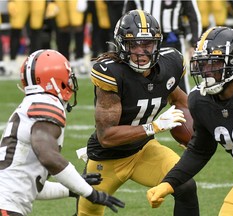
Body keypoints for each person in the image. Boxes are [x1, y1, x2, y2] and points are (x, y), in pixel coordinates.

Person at [147, 26, 233, 215]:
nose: (206, 71)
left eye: (214, 63)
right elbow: (199, 150)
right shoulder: (200, 100)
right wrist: (169, 183)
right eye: (202, 64)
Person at [77, 10, 199, 216]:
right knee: (88, 213)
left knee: (185, 184)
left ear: (157, 44)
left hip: (144, 150)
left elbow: (179, 99)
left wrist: (195, 129)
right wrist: (154, 126)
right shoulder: (112, 73)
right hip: (107, 159)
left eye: (147, 44)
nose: (141, 52)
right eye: (134, 45)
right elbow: (106, 136)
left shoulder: (169, 64)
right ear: (121, 45)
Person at [0, 49, 124, 216]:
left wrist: (73, 188)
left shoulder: (32, 103)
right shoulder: (46, 103)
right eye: (67, 75)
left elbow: (30, 187)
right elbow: (48, 157)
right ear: (55, 78)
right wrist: (91, 193)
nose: (70, 80)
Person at [123, 0, 202, 94]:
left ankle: (184, 106)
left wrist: (194, 44)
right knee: (139, 73)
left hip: (171, 40)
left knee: (178, 76)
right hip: (144, 41)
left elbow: (193, 15)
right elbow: (126, 16)